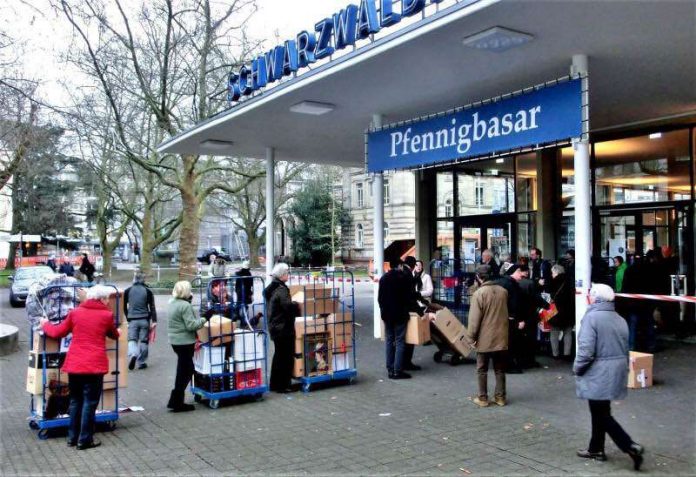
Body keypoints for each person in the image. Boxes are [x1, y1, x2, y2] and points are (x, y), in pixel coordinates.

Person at [574, 284, 645, 470]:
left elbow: (586, 351)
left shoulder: (591, 319)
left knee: (601, 414)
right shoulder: (619, 319)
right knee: (600, 411)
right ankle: (595, 448)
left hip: (597, 372)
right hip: (616, 371)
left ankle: (630, 446)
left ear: (594, 298)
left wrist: (577, 368)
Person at [40, 285, 119, 450]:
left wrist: (45, 324)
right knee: (90, 402)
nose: (108, 301)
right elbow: (114, 335)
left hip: (75, 364)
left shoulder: (75, 313)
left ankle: (72, 437)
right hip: (94, 366)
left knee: (75, 401)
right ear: (102, 299)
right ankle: (85, 440)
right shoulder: (106, 315)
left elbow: (57, 332)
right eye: (107, 298)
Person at [467, 265, 509, 407]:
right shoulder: (503, 292)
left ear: (478, 277)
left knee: (482, 368)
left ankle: (483, 398)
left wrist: (471, 337)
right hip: (501, 336)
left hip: (485, 337)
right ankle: (500, 397)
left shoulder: (479, 294)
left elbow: (474, 320)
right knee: (500, 368)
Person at [167, 281, 206, 412]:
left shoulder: (171, 303)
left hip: (175, 341)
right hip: (185, 342)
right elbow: (191, 325)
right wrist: (205, 318)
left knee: (183, 369)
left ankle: (176, 400)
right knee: (186, 371)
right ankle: (177, 402)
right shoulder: (185, 306)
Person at [264, 263, 300, 393]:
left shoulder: (272, 287)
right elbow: (287, 307)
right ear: (282, 275)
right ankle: (283, 385)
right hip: (283, 328)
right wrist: (297, 305)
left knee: (278, 355)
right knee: (286, 356)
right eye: (287, 273)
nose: (288, 275)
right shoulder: (281, 289)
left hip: (275, 326)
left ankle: (275, 384)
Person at [379, 258, 414, 379]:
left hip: (387, 315)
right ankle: (397, 370)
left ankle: (390, 368)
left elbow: (380, 299)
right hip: (400, 315)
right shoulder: (403, 278)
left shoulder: (384, 278)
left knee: (389, 340)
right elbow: (408, 298)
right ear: (399, 265)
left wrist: (383, 311)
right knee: (400, 341)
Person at [124, 272, 157, 370]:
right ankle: (141, 362)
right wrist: (154, 320)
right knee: (144, 341)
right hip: (144, 320)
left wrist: (127, 316)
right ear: (144, 280)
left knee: (132, 339)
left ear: (134, 279)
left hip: (132, 319)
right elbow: (152, 307)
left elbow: (123, 306)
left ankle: (133, 354)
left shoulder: (128, 291)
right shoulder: (148, 291)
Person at [516, 265, 547, 368]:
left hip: (519, 313)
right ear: (526, 272)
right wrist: (546, 305)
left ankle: (520, 359)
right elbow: (536, 298)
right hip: (530, 313)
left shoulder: (515, 283)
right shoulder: (530, 283)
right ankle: (529, 360)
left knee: (520, 338)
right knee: (530, 338)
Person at [497, 263, 523, 373]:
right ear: (514, 272)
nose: (521, 274)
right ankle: (508, 366)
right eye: (519, 272)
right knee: (510, 342)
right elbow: (514, 303)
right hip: (510, 317)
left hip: (501, 316)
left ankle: (504, 364)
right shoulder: (511, 284)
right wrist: (517, 318)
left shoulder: (501, 282)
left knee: (506, 342)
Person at [548, 264, 575, 360]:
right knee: (568, 332)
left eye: (552, 272)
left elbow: (550, 294)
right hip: (569, 310)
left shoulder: (553, 282)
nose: (551, 274)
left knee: (554, 332)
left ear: (556, 272)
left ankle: (555, 354)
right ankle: (567, 353)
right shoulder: (570, 280)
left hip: (556, 310)